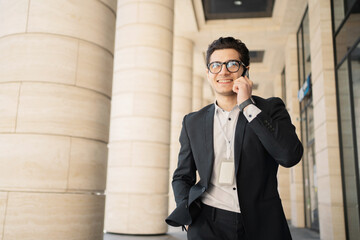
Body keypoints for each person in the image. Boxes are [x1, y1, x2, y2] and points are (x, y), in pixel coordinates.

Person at [165, 36, 303, 240]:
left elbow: (289, 156)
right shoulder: (192, 121)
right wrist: (186, 213)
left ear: (245, 69)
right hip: (207, 222)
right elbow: (182, 175)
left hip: (262, 222)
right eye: (216, 65)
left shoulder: (270, 109)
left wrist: (247, 105)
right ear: (208, 72)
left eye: (232, 64)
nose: (223, 71)